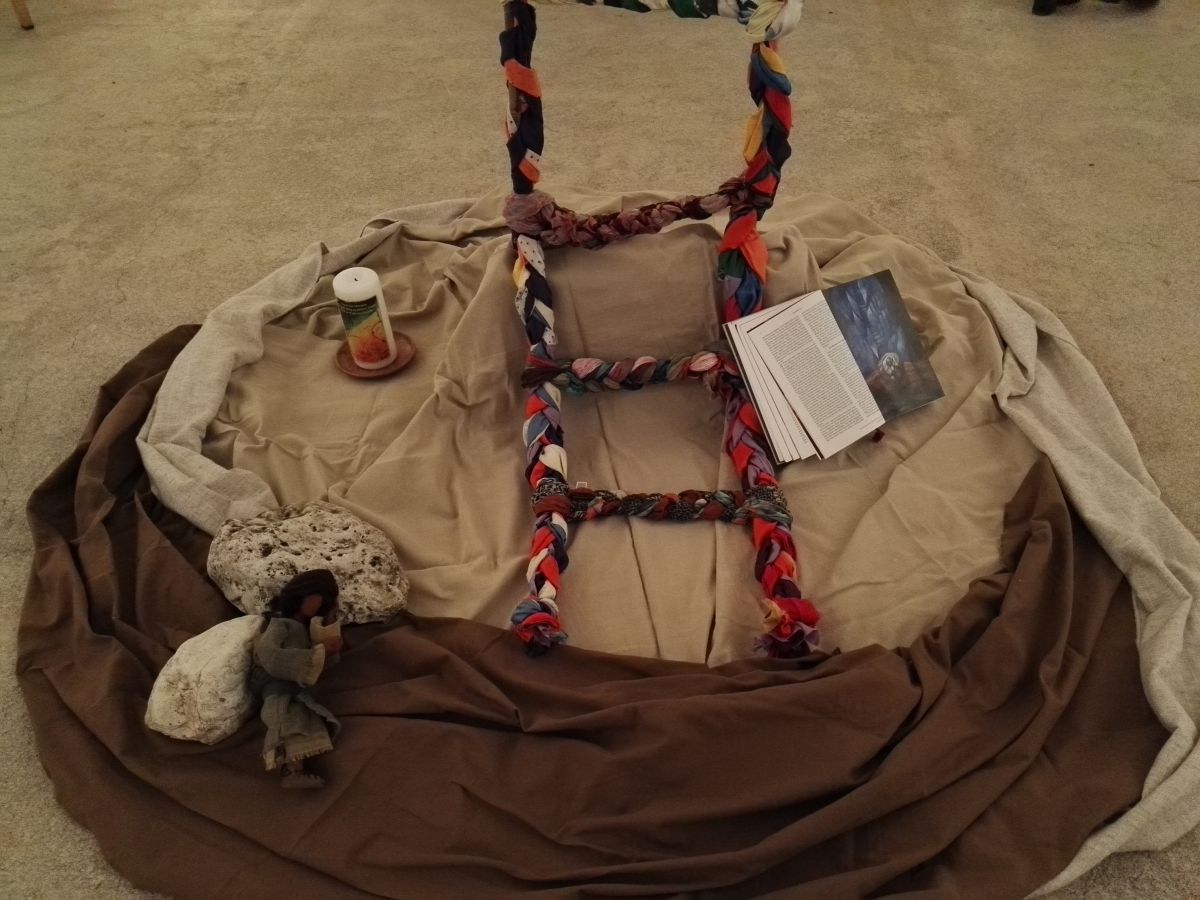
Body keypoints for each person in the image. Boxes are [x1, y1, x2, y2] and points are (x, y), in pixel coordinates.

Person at [249, 569, 344, 789]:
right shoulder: (279, 624)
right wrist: (319, 652)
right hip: (276, 689)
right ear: (300, 595)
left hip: (293, 690)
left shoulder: (306, 629)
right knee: (288, 725)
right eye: (315, 598)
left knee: (303, 722)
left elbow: (322, 665)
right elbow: (271, 656)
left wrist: (328, 631)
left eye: (323, 601)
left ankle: (296, 769)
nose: (318, 605)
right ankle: (291, 771)